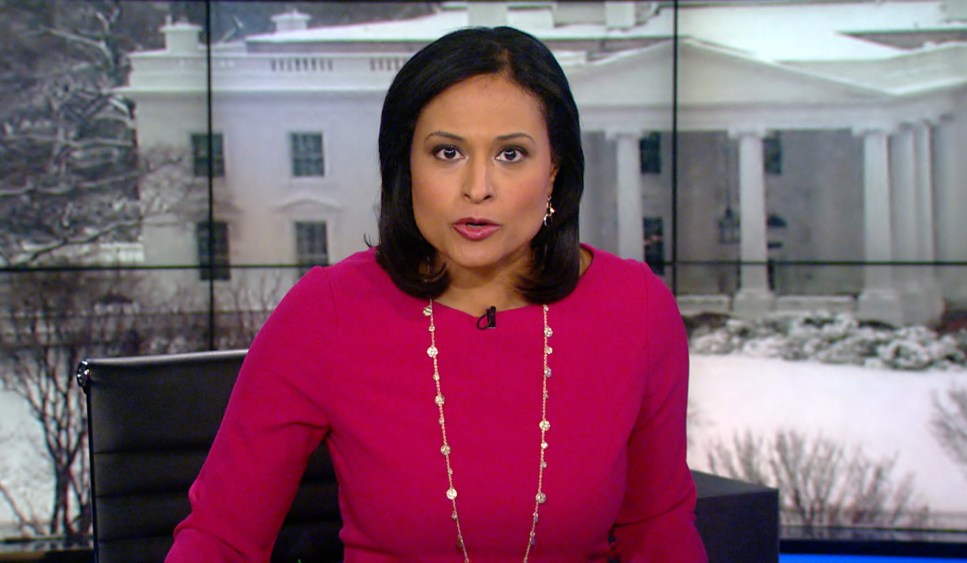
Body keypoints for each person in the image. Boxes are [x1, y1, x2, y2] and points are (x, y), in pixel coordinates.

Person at [166, 26, 707, 562]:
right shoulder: (326, 313)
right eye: (448, 152)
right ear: (406, 165)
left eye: (511, 154)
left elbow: (659, 532)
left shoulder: (635, 309)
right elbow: (220, 537)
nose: (477, 188)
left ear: (554, 171)